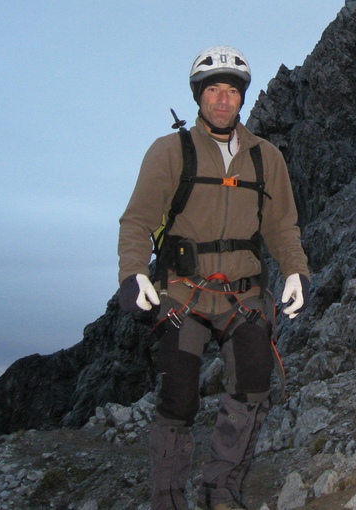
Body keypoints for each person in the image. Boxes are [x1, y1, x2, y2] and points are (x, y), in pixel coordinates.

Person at [117, 45, 310, 510]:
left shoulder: (266, 158)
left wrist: (296, 271)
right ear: (198, 96)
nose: (223, 100)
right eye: (213, 90)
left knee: (253, 386)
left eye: (232, 91)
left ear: (242, 97)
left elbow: (282, 227)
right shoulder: (169, 152)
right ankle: (168, 499)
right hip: (183, 296)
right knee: (178, 399)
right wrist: (132, 273)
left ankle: (221, 491)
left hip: (244, 297)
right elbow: (138, 220)